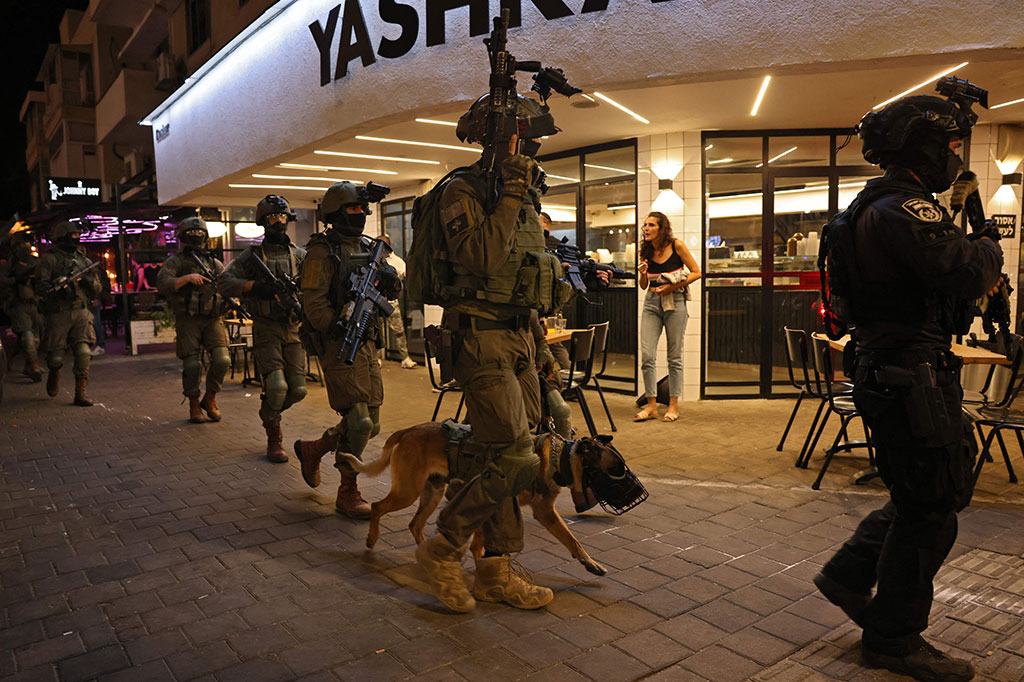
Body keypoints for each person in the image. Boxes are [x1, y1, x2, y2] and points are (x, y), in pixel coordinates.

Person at [814, 91, 1002, 682]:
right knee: (933, 506)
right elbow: (968, 272)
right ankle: (893, 639)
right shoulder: (904, 209)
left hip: (891, 369)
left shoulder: (868, 207)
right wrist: (987, 240)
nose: (955, 157)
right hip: (911, 373)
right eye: (951, 145)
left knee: (924, 490)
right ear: (925, 147)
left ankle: (850, 574)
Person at [414, 93, 571, 614]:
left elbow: (522, 282)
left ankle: (495, 573)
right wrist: (512, 193)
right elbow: (482, 257)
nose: (536, 148)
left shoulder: (521, 198)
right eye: (530, 139)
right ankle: (443, 548)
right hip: (479, 340)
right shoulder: (463, 190)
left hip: (520, 338)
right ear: (504, 139)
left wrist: (542, 350)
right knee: (516, 457)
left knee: (507, 458)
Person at [292, 181, 399, 518]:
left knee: (372, 424)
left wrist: (391, 279)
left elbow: (390, 290)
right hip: (339, 344)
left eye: (362, 209)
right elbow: (314, 306)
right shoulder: (321, 252)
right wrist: (338, 326)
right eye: (353, 209)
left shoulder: (369, 247)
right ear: (336, 213)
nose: (360, 214)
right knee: (359, 421)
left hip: (367, 343)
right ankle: (347, 491)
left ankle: (315, 448)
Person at [219, 195, 307, 462]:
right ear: (263, 221)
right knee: (277, 386)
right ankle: (274, 437)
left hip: (293, 328)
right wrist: (255, 287)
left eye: (283, 216)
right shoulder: (252, 257)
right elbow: (224, 282)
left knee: (298, 390)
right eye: (272, 217)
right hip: (266, 328)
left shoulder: (300, 255)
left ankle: (269, 412)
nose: (279, 221)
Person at [157, 217, 231, 423]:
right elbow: (162, 283)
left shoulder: (213, 263)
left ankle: (210, 398)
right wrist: (186, 278)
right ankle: (194, 404)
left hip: (213, 318)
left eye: (200, 233)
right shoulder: (176, 261)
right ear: (183, 236)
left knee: (223, 359)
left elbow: (227, 283)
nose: (196, 236)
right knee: (192, 364)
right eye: (191, 232)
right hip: (188, 319)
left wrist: (231, 296)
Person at [635, 212, 701, 422]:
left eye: (651, 225)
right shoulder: (645, 249)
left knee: (674, 357)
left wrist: (672, 286)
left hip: (675, 301)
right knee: (647, 356)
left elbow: (697, 272)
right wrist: (643, 273)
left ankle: (673, 406)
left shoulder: (676, 245)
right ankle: (652, 406)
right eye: (645, 225)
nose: (646, 228)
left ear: (661, 228)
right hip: (651, 302)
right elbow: (643, 285)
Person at [35, 221, 102, 405]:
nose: (76, 239)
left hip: (81, 311)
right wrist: (57, 288)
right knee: (56, 357)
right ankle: (54, 372)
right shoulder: (50, 260)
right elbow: (40, 287)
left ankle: (80, 393)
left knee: (83, 352)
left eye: (78, 235)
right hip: (58, 313)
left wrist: (88, 283)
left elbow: (98, 287)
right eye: (73, 235)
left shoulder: (84, 261)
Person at [0, 231, 44, 381]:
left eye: (28, 244)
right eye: (22, 245)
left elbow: (45, 279)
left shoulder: (36, 263)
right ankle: (34, 364)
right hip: (18, 304)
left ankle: (24, 362)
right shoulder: (9, 265)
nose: (26, 247)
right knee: (27, 335)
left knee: (35, 338)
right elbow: (2, 281)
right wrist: (16, 280)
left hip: (35, 304)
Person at [378, 234, 417, 369]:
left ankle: (405, 358)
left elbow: (407, 274)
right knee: (378, 331)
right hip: (376, 301)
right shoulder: (374, 259)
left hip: (391, 303)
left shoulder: (396, 261)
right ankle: (377, 358)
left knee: (399, 330)